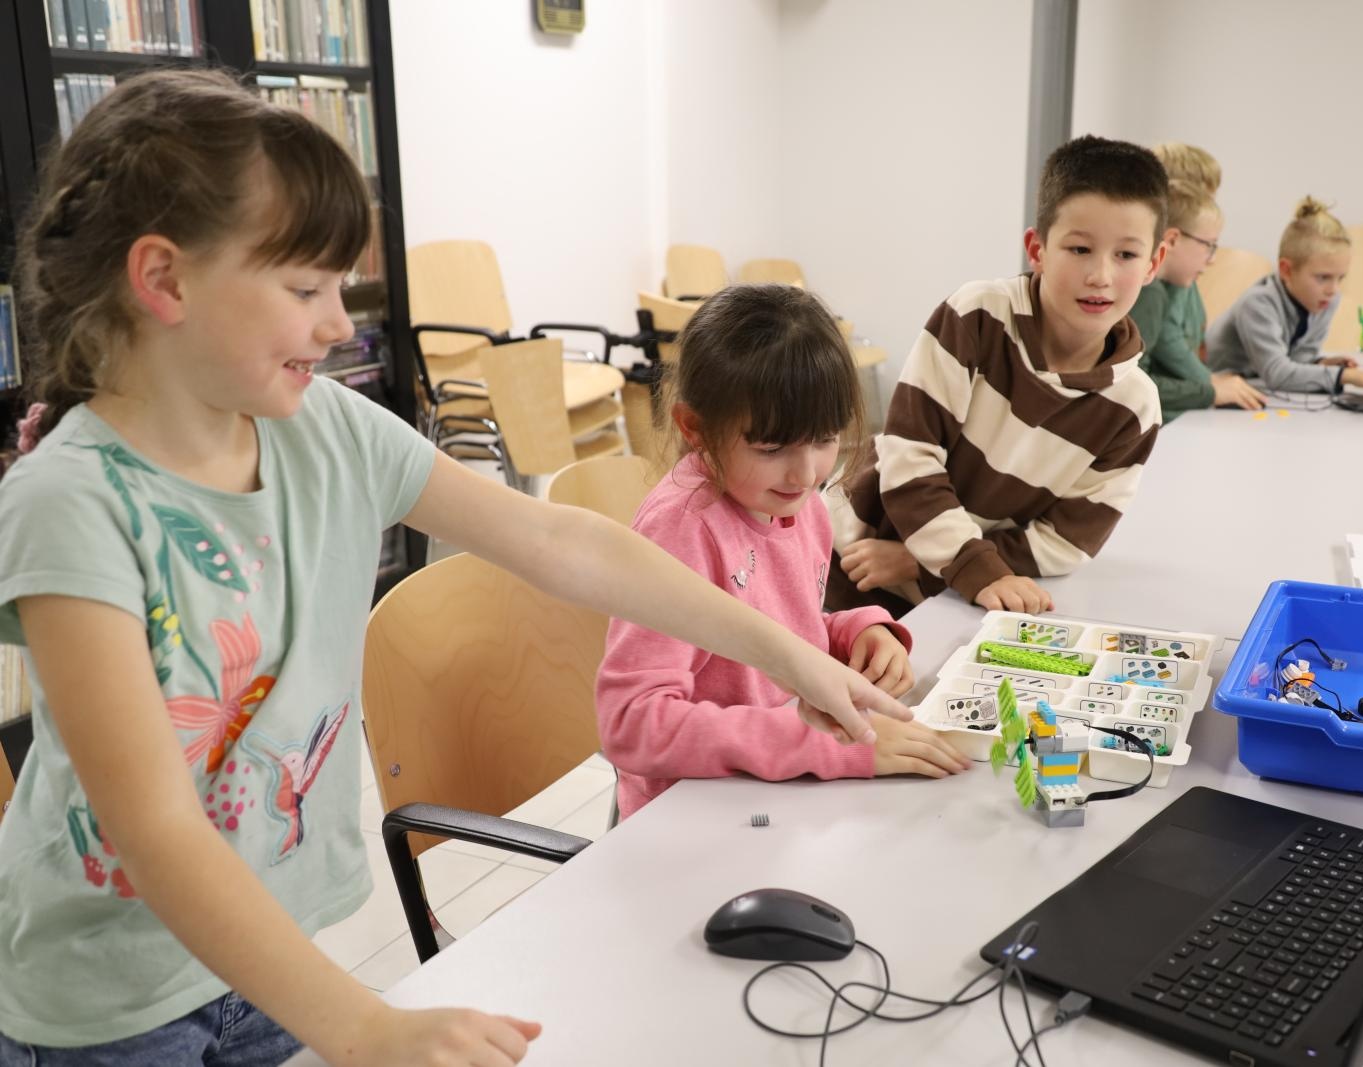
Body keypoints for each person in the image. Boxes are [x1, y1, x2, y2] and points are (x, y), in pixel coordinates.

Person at [0, 70, 908, 1067]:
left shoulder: (327, 429)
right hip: (110, 999)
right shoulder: (70, 504)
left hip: (269, 952)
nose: (341, 325)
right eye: (305, 289)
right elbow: (156, 829)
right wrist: (358, 1020)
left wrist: (789, 654)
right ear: (164, 279)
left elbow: (564, 541)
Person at [594, 285, 970, 820]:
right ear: (694, 429)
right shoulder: (681, 531)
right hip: (691, 815)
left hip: (773, 795)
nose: (806, 473)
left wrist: (857, 631)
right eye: (771, 449)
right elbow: (632, 724)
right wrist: (822, 744)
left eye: (824, 439)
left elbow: (779, 623)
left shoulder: (798, 502)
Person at [828, 135, 1168, 618]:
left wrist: (926, 564)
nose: (1101, 275)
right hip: (855, 558)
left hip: (958, 593)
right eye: (1079, 248)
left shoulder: (1135, 407)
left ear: (1153, 263)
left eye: (1126, 255)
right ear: (1038, 248)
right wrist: (966, 564)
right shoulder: (977, 317)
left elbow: (1067, 541)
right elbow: (911, 456)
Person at [1205, 198, 1363, 395]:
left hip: (1254, 388)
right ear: (1286, 270)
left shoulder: (1325, 300)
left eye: (1340, 278)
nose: (1332, 289)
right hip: (1214, 396)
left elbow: (1297, 360)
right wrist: (1345, 376)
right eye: (1323, 277)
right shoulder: (1258, 303)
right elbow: (1278, 374)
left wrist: (1321, 364)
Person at [1128, 178, 1265, 418]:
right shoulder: (1149, 292)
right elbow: (1131, 388)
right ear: (1172, 240)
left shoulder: (1157, 288)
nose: (1212, 259)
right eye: (1208, 245)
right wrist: (1209, 392)